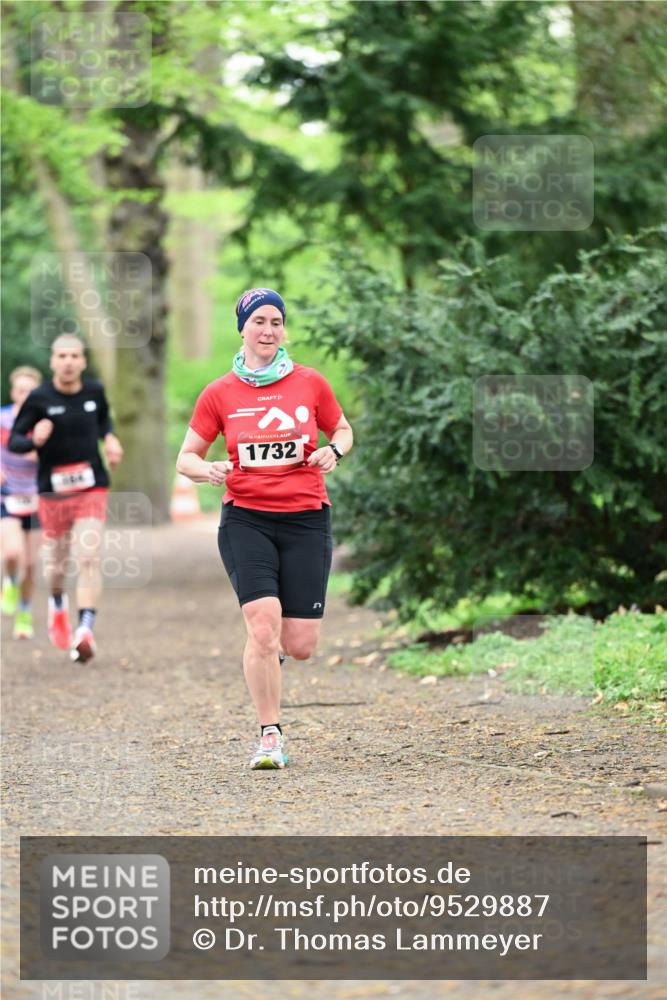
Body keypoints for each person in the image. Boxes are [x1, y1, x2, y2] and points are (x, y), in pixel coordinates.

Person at [177, 288, 353, 770]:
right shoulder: (219, 393)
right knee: (262, 627)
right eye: (259, 322)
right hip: (246, 519)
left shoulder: (310, 383)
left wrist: (332, 451)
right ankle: (269, 736)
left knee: (299, 646)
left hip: (306, 519)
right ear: (243, 329)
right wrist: (207, 470)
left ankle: (268, 658)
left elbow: (342, 429)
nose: (268, 330)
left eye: (276, 321)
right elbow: (185, 458)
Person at [9, 334, 123, 662]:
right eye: (62, 356)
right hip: (53, 493)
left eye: (75, 356)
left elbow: (104, 421)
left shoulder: (94, 391)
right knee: (57, 565)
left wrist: (111, 439)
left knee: (88, 557)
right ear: (53, 362)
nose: (69, 362)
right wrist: (33, 439)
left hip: (91, 488)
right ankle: (57, 602)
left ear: (83, 361)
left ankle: (85, 629)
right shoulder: (39, 397)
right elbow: (15, 440)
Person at [1, 366, 43, 639]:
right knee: (12, 554)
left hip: (37, 498)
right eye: (20, 390)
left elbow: (58, 456)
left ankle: (25, 613)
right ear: (12, 392)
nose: (25, 395)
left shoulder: (44, 423)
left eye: (30, 391)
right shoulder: (2, 418)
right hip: (6, 494)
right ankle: (9, 582)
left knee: (31, 564)